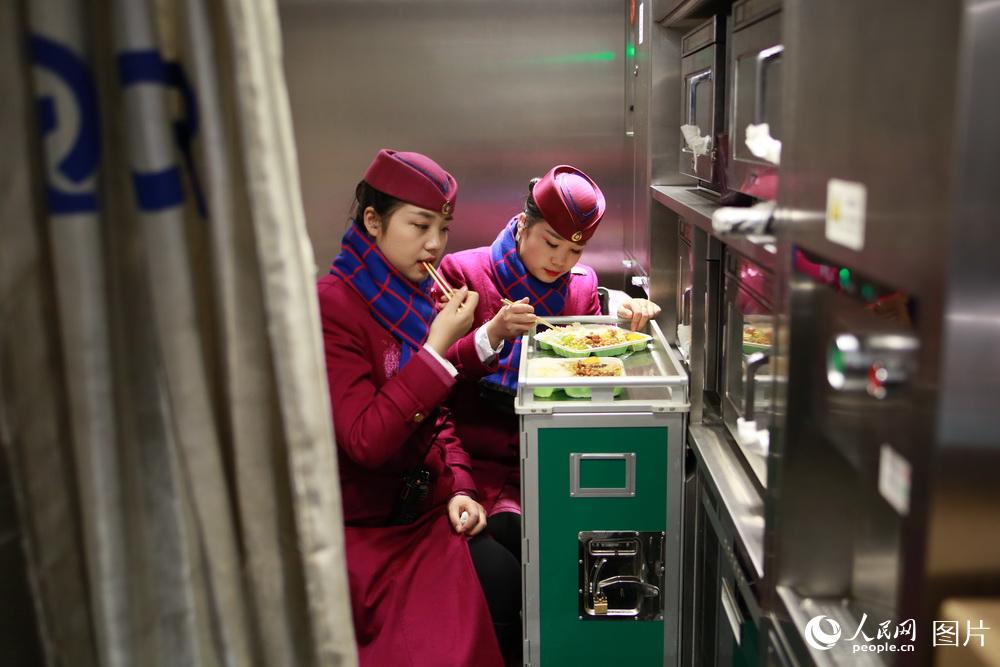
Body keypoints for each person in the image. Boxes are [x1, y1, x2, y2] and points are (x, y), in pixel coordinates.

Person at [317, 149, 520, 666]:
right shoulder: (332, 307)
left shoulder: (413, 297)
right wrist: (433, 351)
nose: (434, 243)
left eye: (443, 229)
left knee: (512, 578)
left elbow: (437, 414)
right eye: (419, 225)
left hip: (427, 514)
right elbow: (365, 440)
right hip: (366, 532)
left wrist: (462, 487)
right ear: (373, 222)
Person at [438, 164, 661, 560]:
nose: (560, 260)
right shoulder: (463, 273)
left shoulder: (582, 286)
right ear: (524, 223)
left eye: (575, 250)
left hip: (554, 460)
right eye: (551, 242)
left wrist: (626, 326)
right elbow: (439, 375)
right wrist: (490, 334)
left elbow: (590, 372)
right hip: (477, 464)